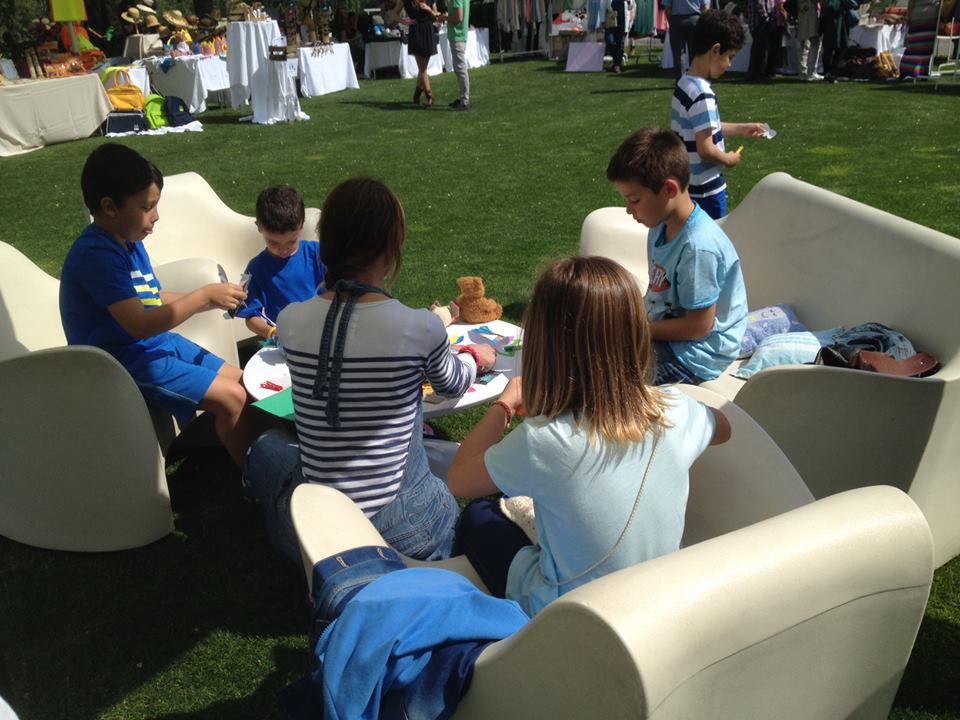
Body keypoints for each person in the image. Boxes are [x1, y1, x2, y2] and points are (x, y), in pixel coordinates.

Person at [449, 256, 731, 617]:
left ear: (544, 344)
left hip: (570, 617)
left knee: (480, 514)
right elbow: (724, 427)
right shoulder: (676, 410)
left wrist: (505, 405)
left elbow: (458, 478)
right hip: (659, 600)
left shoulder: (544, 441)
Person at [244, 177, 496, 565]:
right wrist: (477, 359)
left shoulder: (290, 322)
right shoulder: (419, 326)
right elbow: (451, 383)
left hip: (309, 529)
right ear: (392, 248)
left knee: (267, 449)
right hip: (402, 529)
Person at [59, 143, 256, 466]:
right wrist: (203, 296)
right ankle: (257, 480)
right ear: (110, 207)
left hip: (152, 345)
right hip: (121, 363)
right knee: (233, 397)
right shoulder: (95, 255)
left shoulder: (129, 240)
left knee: (245, 382)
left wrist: (214, 301)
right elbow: (139, 323)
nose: (157, 216)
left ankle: (258, 452)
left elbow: (150, 297)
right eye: (147, 206)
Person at [607, 127, 749, 385]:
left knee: (614, 385)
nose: (629, 210)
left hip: (699, 354)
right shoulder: (659, 226)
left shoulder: (698, 248)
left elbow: (697, 328)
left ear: (669, 189)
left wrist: (634, 330)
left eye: (634, 200)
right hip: (667, 335)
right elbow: (659, 291)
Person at [670, 9, 768, 219]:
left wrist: (743, 128)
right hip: (706, 191)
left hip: (687, 186)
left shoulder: (684, 84)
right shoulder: (703, 94)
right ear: (715, 51)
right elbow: (705, 149)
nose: (730, 64)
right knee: (712, 239)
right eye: (730, 57)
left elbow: (705, 127)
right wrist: (728, 159)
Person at [235, 185, 326, 340]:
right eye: (274, 243)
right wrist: (273, 333)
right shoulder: (255, 268)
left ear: (302, 223)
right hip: (284, 341)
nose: (283, 250)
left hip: (323, 334)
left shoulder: (317, 254)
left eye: (291, 241)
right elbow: (250, 318)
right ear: (259, 227)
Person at [403, 0, 441, 106]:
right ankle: (430, 96)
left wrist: (428, 9)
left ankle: (416, 95)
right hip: (416, 32)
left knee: (422, 68)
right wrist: (405, 22)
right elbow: (393, 13)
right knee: (423, 68)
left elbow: (436, 16)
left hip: (428, 31)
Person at [662, 0, 710, 79]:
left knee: (678, 55)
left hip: (677, 19)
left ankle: (681, 80)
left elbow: (667, 7)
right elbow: (705, 7)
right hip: (695, 19)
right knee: (696, 53)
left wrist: (672, 21)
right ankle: (696, 79)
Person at [746, 0, 788, 80]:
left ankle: (766, 72)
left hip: (766, 22)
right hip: (760, 22)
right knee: (760, 50)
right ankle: (757, 74)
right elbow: (760, 5)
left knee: (765, 49)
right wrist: (767, 19)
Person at [441, 0, 471, 110]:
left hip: (457, 35)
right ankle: (463, 98)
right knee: (459, 69)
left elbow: (458, 17)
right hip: (460, 35)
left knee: (460, 68)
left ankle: (464, 101)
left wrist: (443, 17)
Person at [796, 0, 824, 80]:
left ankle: (802, 72)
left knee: (804, 44)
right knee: (815, 43)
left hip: (802, 12)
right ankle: (811, 72)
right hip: (811, 14)